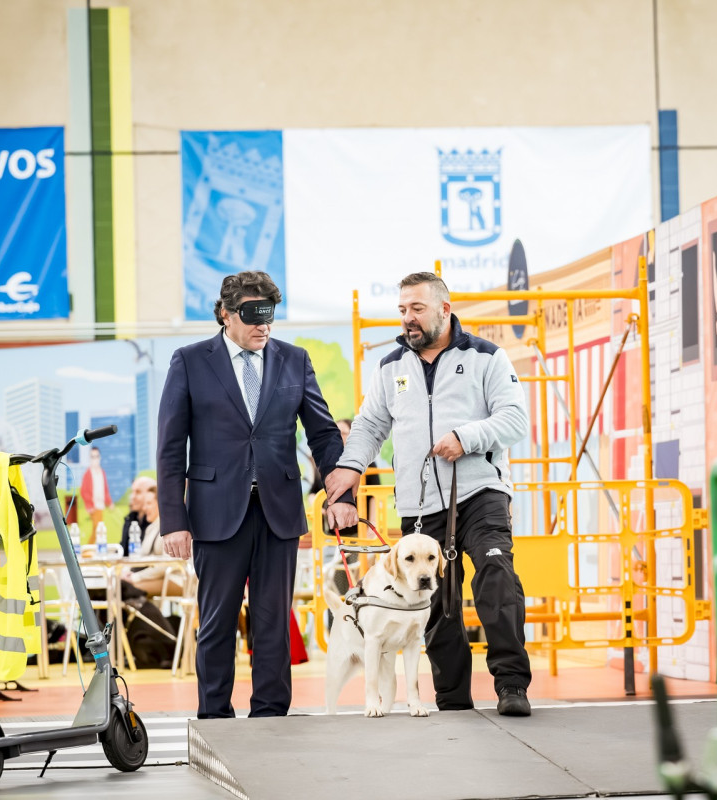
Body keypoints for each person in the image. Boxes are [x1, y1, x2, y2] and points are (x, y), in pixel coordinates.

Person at [326, 271, 534, 717]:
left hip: (480, 491)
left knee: (496, 577)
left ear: (444, 308)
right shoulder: (390, 367)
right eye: (402, 310)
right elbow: (368, 427)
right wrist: (349, 468)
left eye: (417, 308)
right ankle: (453, 699)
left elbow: (516, 420)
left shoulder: (486, 357)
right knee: (436, 602)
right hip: (420, 505)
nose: (408, 319)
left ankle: (512, 684)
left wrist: (467, 436)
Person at [157, 269, 356, 719]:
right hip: (214, 514)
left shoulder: (294, 359)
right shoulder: (189, 360)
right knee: (216, 625)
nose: (264, 326)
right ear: (225, 315)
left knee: (273, 625)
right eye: (252, 316)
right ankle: (214, 718)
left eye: (269, 316)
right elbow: (170, 446)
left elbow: (324, 436)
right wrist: (174, 519)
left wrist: (340, 494)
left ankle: (271, 717)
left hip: (278, 513)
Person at [80, 447, 113, 532]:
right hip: (94, 507)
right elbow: (84, 491)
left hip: (101, 506)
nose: (95, 459)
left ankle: (91, 545)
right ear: (90, 458)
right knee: (98, 531)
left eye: (97, 456)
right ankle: (89, 546)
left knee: (98, 531)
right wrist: (89, 506)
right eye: (92, 457)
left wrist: (109, 502)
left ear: (100, 457)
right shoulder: (87, 474)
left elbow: (105, 489)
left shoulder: (102, 472)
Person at [120, 475, 156, 553]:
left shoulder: (157, 523)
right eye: (132, 492)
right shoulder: (129, 519)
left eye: (138, 492)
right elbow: (122, 550)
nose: (133, 497)